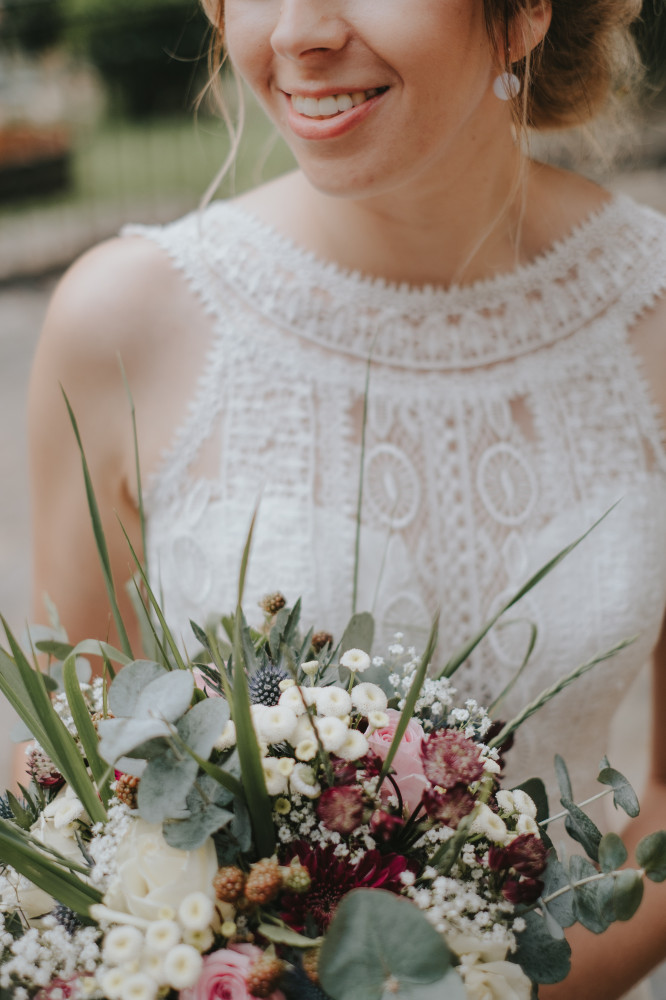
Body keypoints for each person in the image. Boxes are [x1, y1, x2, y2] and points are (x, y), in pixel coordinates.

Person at [27, 0, 666, 996]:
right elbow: (89, 814)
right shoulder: (123, 322)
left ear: (530, 9)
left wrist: (499, 986)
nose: (298, 33)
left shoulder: (655, 311)